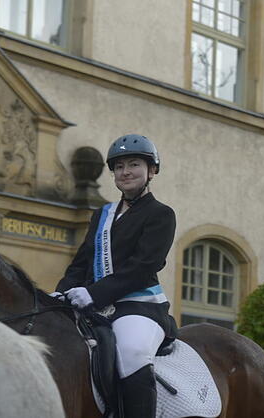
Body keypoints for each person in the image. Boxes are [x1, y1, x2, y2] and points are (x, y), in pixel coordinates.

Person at [54, 134, 177, 418]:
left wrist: (94, 294)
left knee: (132, 351)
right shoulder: (102, 215)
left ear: (152, 171)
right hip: (93, 306)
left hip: (139, 307)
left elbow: (144, 266)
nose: (126, 172)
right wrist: (61, 293)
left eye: (134, 164)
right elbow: (82, 262)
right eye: (119, 167)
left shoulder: (161, 214)